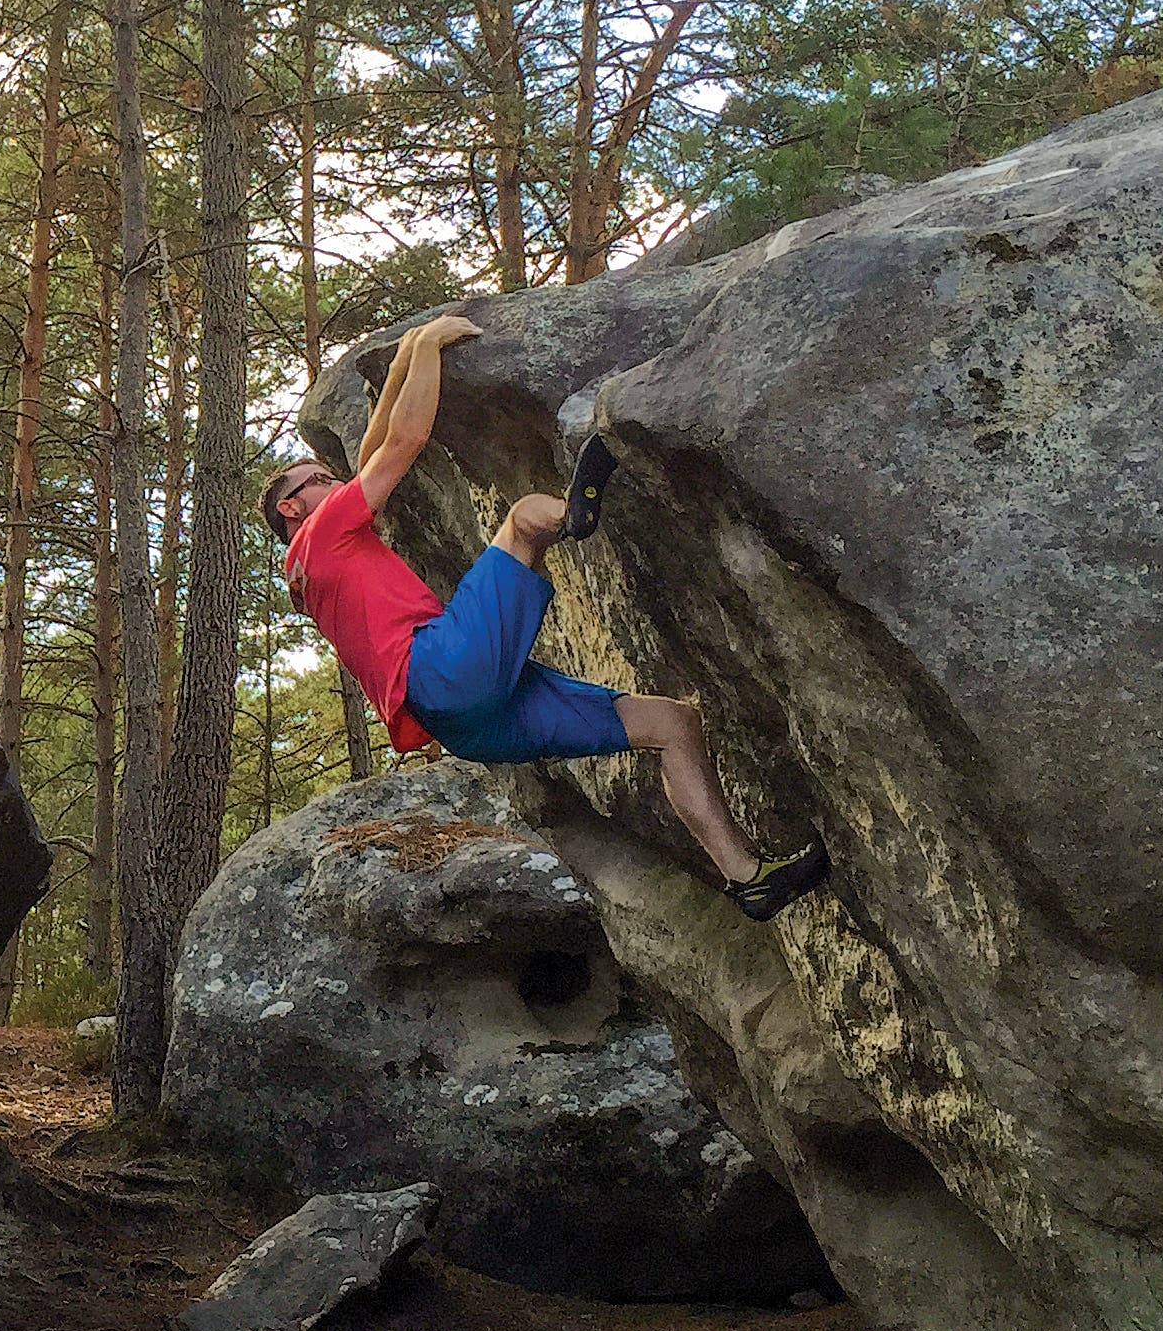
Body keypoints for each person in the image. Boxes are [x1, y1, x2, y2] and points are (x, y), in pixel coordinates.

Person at [260, 311, 827, 919]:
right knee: (527, 516)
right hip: (441, 671)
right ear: (294, 508)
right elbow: (401, 444)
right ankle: (573, 515)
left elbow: (371, 450)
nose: (335, 480)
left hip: (465, 724)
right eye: (319, 478)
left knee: (671, 725)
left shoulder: (313, 565)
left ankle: (748, 877)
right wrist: (425, 345)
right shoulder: (320, 531)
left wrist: (400, 363)